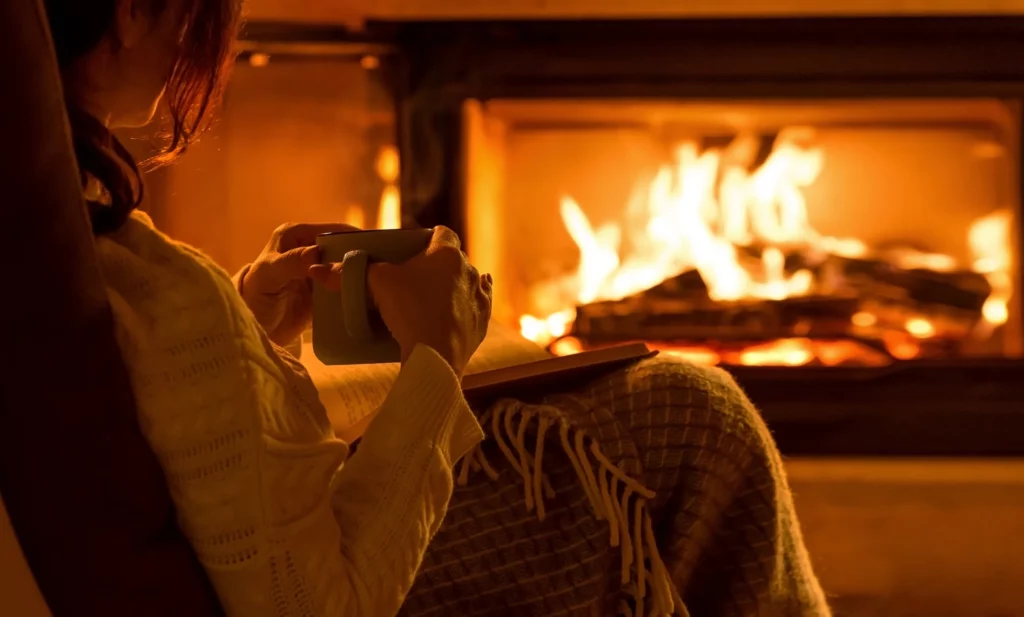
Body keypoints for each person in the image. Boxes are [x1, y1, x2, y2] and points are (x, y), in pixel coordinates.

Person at [44, 0, 831, 615]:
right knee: (694, 417)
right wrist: (435, 360)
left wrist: (247, 330)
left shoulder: (62, 235)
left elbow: (148, 408)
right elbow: (317, 605)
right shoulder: (151, 280)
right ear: (132, 9)